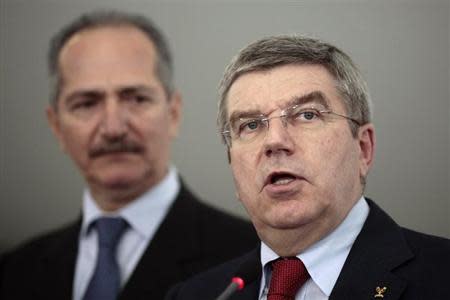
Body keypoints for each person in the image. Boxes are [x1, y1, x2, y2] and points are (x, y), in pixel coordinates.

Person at [165, 35, 450, 300]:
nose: (274, 141)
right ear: (232, 165)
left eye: (307, 115)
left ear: (363, 148)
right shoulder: (194, 295)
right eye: (250, 125)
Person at [0, 10, 257, 300]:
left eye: (136, 98)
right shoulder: (13, 272)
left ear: (173, 113)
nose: (113, 128)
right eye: (86, 103)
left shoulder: (255, 260)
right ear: (57, 127)